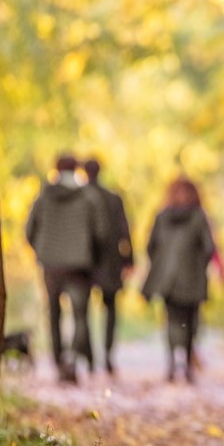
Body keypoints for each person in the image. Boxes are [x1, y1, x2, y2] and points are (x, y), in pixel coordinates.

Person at [25, 154, 108, 383]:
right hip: (79, 265)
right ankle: (71, 357)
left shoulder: (44, 196)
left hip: (51, 264)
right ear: (77, 169)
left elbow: (29, 230)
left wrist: (43, 251)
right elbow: (101, 233)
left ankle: (58, 362)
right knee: (80, 315)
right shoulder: (88, 196)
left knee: (53, 313)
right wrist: (90, 254)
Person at [141, 176, 217, 383]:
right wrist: (199, 264)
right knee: (191, 321)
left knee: (172, 320)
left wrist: (162, 264)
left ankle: (172, 362)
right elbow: (209, 247)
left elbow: (150, 247)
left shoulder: (162, 216)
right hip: (193, 277)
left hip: (168, 279)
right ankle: (188, 365)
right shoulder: (199, 217)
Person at [83, 158, 134, 375]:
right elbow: (125, 230)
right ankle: (108, 355)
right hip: (111, 261)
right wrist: (129, 259)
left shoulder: (81, 197)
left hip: (85, 261)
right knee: (110, 309)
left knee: (81, 311)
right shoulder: (114, 198)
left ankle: (90, 358)